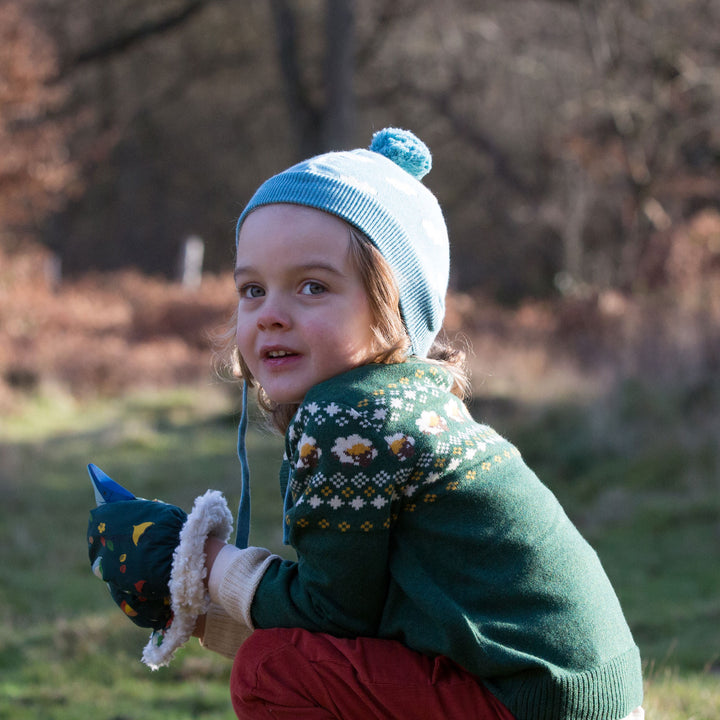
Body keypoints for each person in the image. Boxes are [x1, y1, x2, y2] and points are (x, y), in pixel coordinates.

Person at [87, 128, 644, 720]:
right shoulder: (407, 402)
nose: (271, 314)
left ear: (392, 310)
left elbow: (330, 618)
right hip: (582, 694)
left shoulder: (348, 417)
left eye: (312, 286)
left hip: (531, 700)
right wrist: (202, 606)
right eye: (252, 289)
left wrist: (200, 565)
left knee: (271, 671)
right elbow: (360, 627)